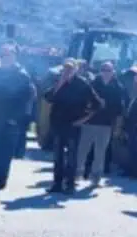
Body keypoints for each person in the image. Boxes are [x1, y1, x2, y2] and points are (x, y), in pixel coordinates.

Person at [43, 58, 100, 194]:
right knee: (58, 156)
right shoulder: (59, 82)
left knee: (72, 156)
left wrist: (84, 119)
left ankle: (69, 184)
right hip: (58, 124)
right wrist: (60, 84)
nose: (67, 71)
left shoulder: (82, 84)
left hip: (73, 125)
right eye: (65, 68)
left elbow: (97, 104)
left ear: (76, 69)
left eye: (70, 68)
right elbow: (48, 97)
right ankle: (57, 183)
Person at [0, 43, 35, 189]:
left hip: (11, 119)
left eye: (8, 55)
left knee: (5, 151)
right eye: (3, 55)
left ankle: (1, 179)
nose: (5, 58)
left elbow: (27, 97)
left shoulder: (21, 74)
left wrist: (16, 118)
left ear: (14, 57)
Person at [77, 61, 124, 186]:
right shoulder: (92, 84)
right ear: (100, 71)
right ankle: (76, 173)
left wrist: (116, 124)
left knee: (100, 152)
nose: (106, 72)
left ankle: (96, 177)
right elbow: (83, 101)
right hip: (89, 122)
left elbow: (119, 108)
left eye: (108, 70)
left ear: (113, 72)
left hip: (106, 124)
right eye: (104, 69)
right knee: (82, 149)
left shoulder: (117, 87)